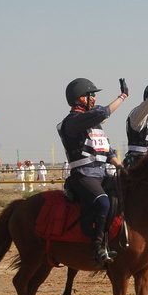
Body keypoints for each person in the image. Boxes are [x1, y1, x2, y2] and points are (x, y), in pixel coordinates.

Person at [58, 76, 128, 266]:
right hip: (83, 176)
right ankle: (97, 247)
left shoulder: (95, 126)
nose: (94, 99)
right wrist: (122, 97)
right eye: (91, 95)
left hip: (103, 174)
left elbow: (107, 150)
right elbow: (102, 113)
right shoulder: (73, 121)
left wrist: (120, 166)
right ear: (81, 98)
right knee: (103, 203)